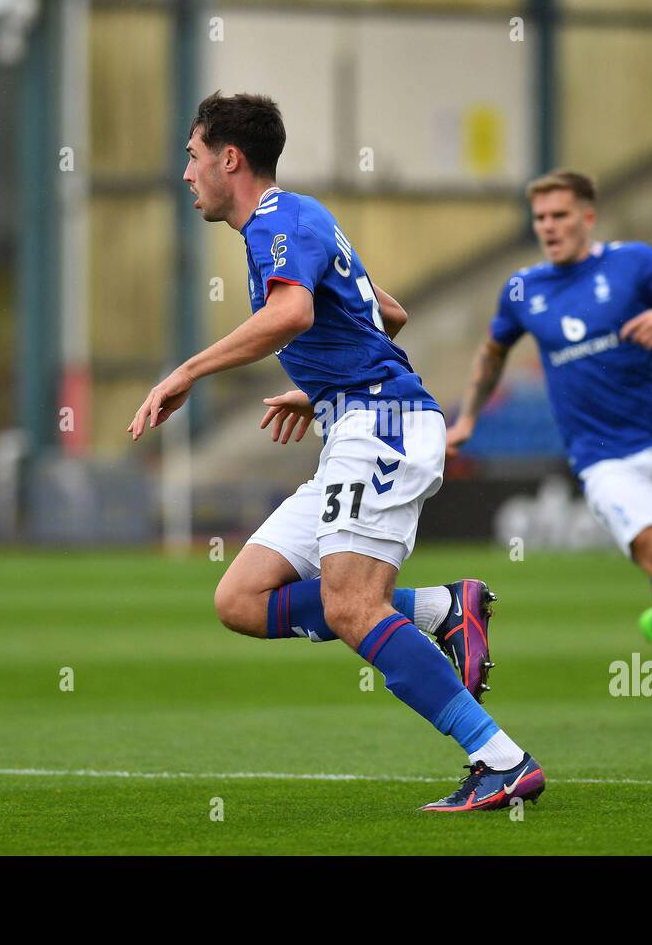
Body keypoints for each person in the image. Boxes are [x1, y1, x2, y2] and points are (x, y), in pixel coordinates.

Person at [128, 92, 544, 811]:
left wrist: (189, 370)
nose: (187, 173)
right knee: (241, 599)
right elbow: (388, 313)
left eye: (193, 157)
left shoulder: (275, 223)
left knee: (353, 607)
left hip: (380, 425)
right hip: (354, 418)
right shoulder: (300, 219)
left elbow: (293, 313)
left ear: (231, 159)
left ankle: (501, 761)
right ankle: (445, 610)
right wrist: (320, 386)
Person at [448, 169, 652, 736]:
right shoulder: (523, 289)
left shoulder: (635, 263)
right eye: (541, 218)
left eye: (560, 215)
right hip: (603, 460)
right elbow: (492, 352)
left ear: (588, 217)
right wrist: (469, 416)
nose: (549, 227)